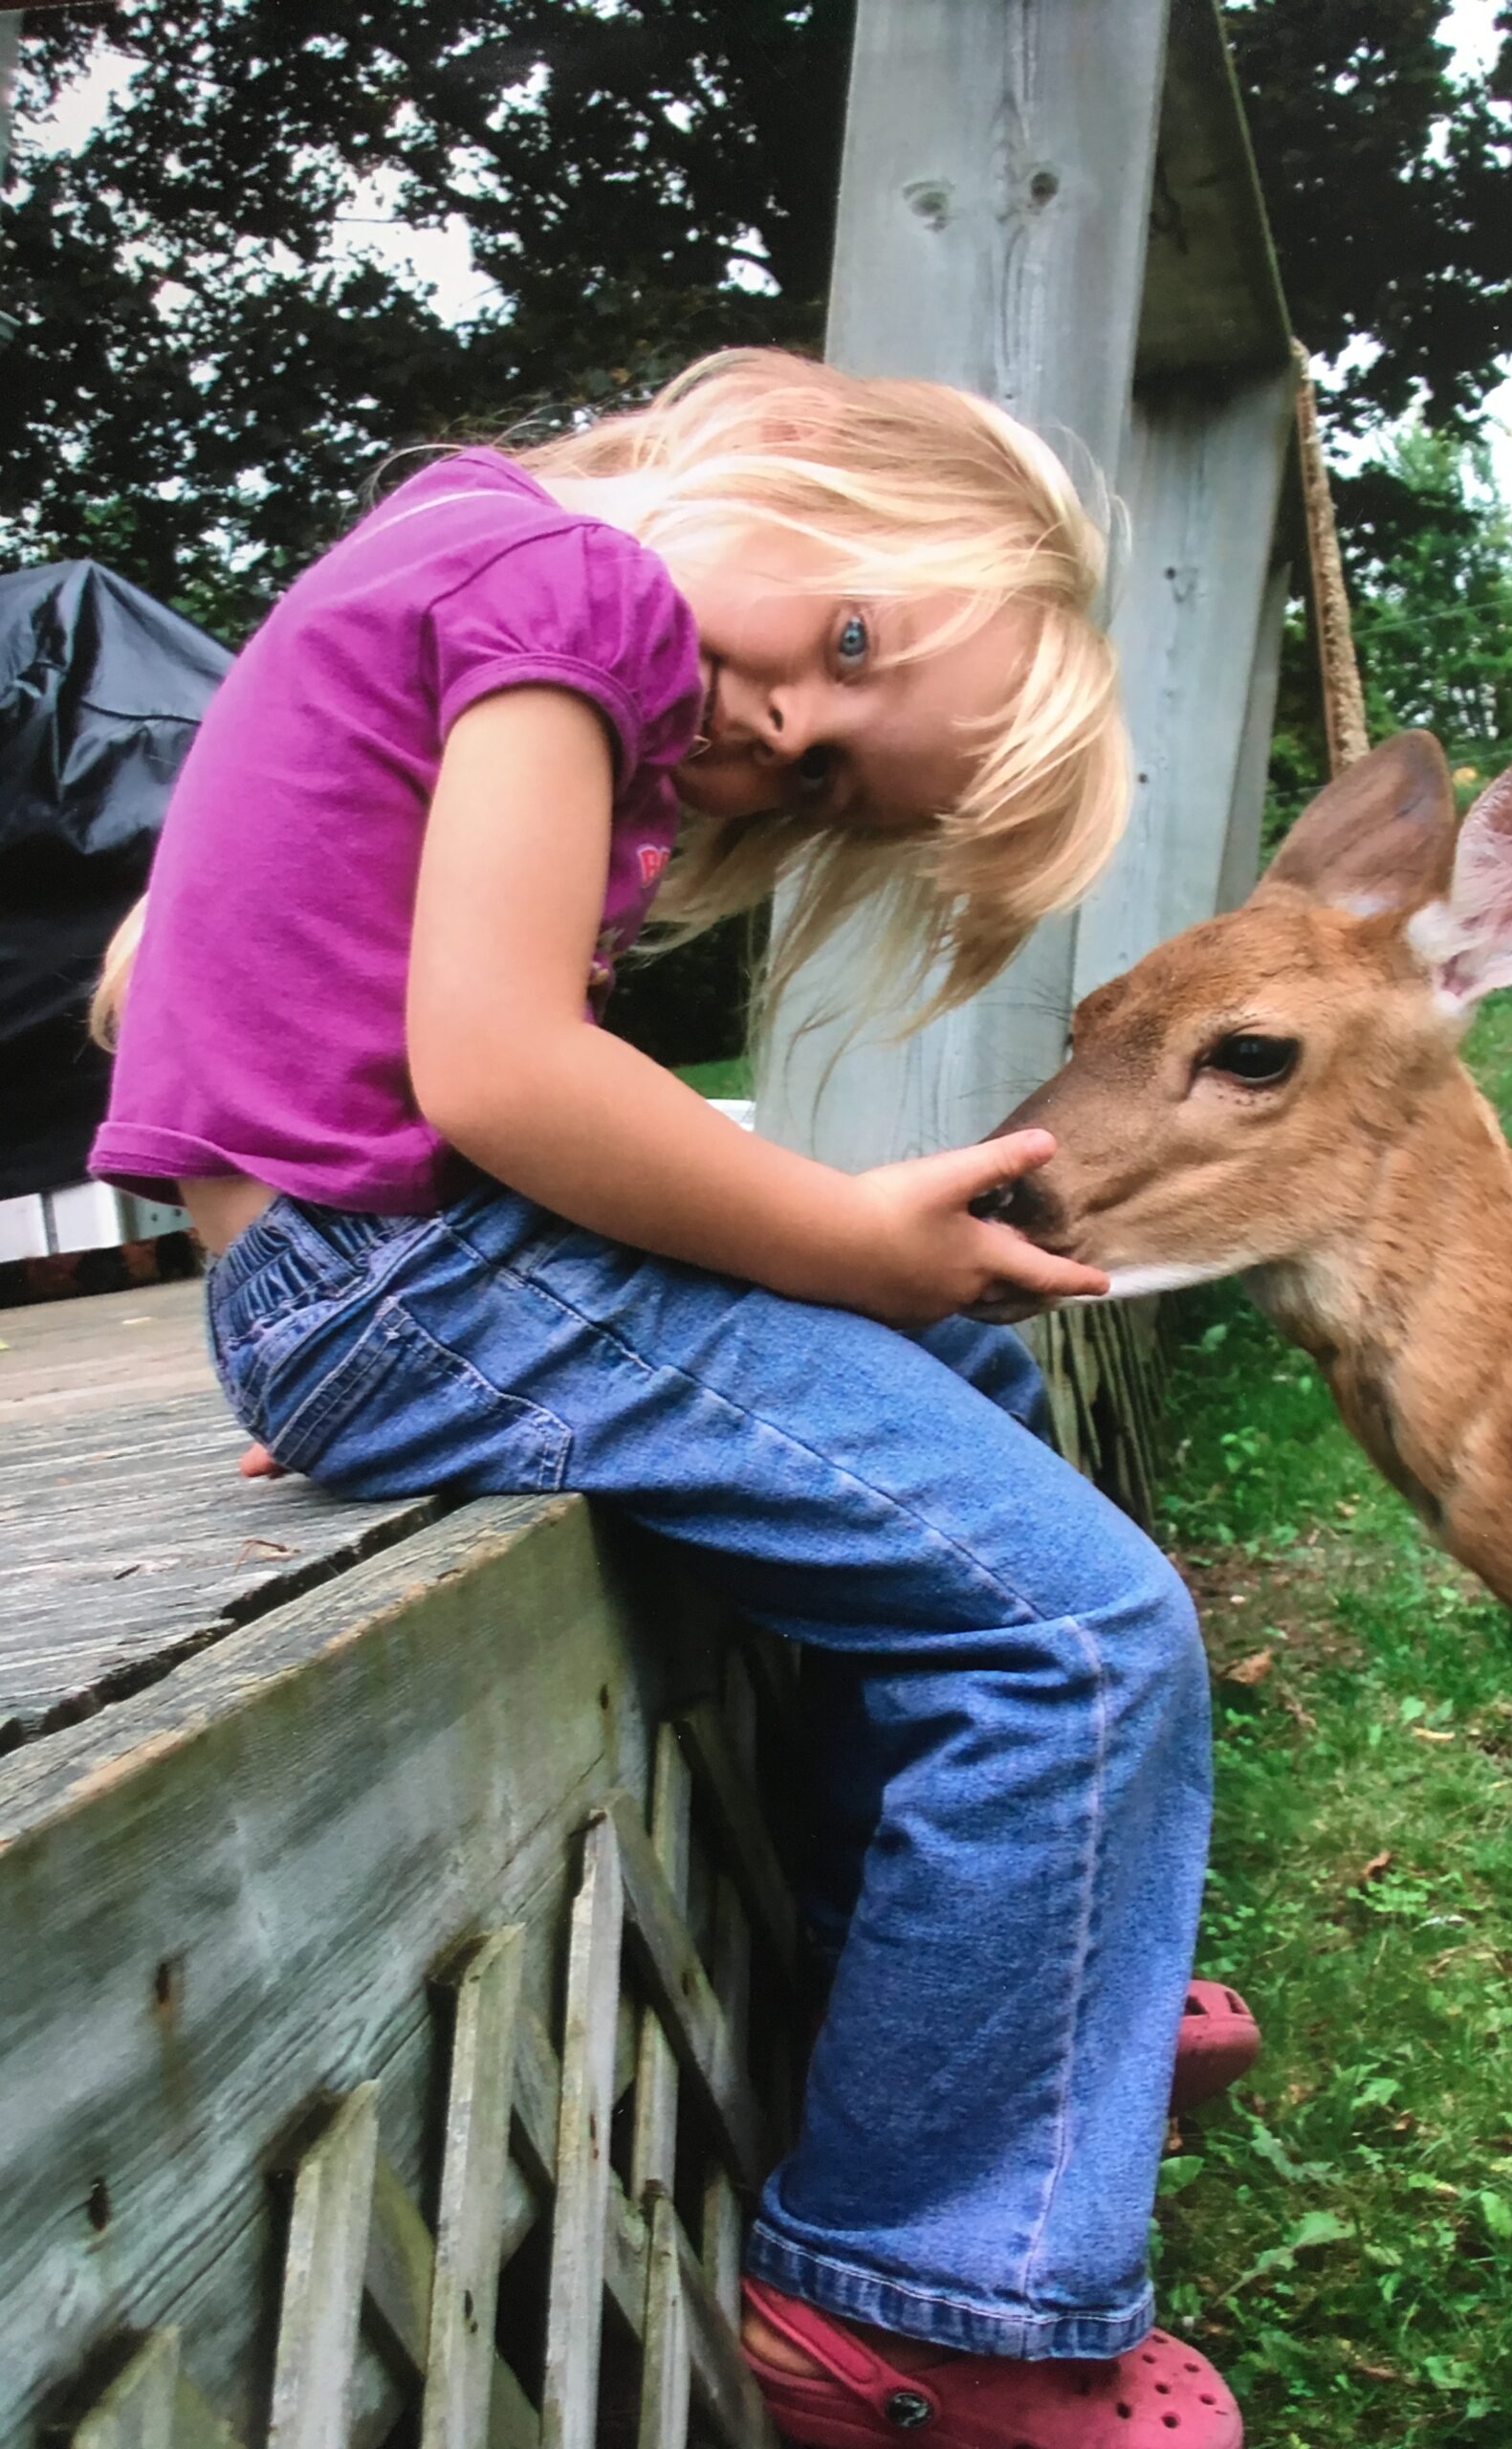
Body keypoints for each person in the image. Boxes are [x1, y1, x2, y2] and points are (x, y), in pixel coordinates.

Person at [90, 349, 1248, 2449]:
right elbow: (503, 1073)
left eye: (831, 781)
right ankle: (925, 2306)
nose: (785, 733)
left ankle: (1023, 1977)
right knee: (1081, 1632)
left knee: (972, 1371)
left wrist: (346, 1343)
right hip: (418, 1274)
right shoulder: (583, 589)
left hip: (384, 1280)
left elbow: (260, 980)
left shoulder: (454, 552)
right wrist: (840, 1237)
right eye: (850, 647)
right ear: (793, 437)